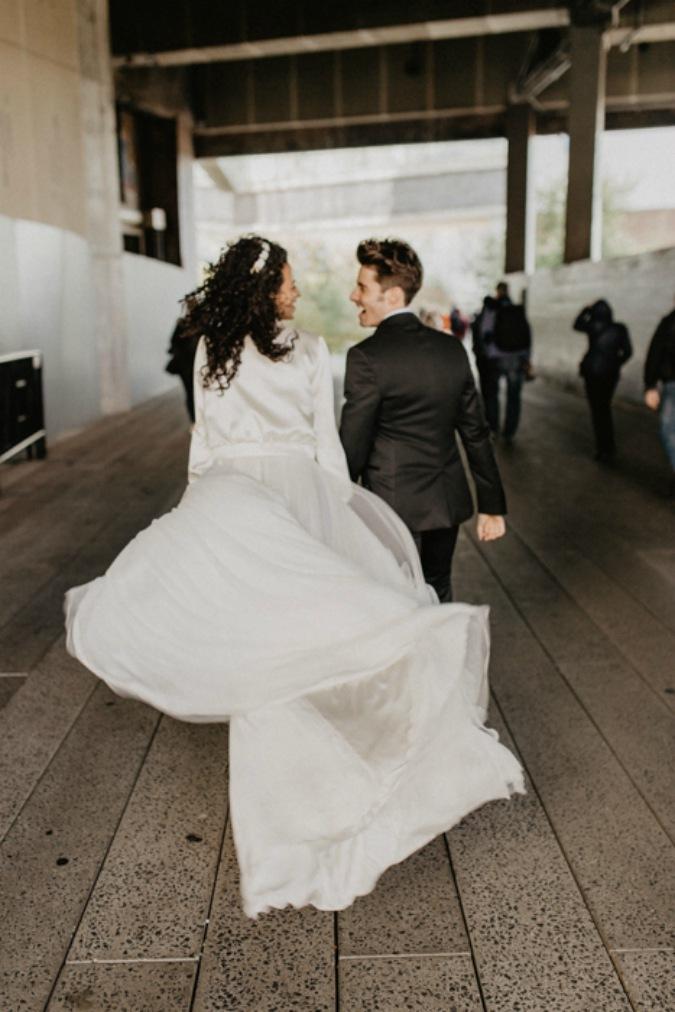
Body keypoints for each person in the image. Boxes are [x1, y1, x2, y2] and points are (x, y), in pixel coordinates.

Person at [64, 235, 522, 919]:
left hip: (229, 493)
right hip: (297, 487)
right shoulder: (307, 347)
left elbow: (205, 440)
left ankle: (283, 791)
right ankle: (348, 748)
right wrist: (343, 511)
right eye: (288, 279)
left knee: (256, 636)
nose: (298, 290)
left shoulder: (208, 349)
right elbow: (324, 443)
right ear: (266, 288)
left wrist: (197, 509)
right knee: (325, 614)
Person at [340, 238, 507, 604]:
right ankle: (445, 659)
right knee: (438, 587)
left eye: (362, 287)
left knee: (398, 597)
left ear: (394, 296)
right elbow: (475, 433)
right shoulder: (451, 350)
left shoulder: (366, 357)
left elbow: (352, 446)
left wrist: (336, 502)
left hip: (391, 505)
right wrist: (491, 504)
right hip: (445, 503)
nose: (354, 296)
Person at [573, 299, 632, 462]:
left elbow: (576, 324)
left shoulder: (592, 326)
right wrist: (615, 363)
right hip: (610, 374)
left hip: (592, 372)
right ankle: (608, 446)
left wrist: (586, 310)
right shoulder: (620, 329)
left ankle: (603, 448)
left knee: (597, 410)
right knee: (604, 408)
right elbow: (628, 351)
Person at [478, 283, 532, 443]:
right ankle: (510, 431)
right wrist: (527, 358)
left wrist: (488, 353)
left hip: (496, 358)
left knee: (492, 394)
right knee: (514, 396)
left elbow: (484, 332)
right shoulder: (517, 310)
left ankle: (493, 428)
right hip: (516, 358)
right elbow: (527, 335)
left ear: (497, 292)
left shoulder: (491, 309)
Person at [644, 299, 675, 495]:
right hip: (672, 384)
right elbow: (655, 353)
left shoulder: (669, 322)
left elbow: (655, 353)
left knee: (668, 430)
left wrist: (650, 385)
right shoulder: (669, 322)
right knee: (668, 431)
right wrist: (650, 385)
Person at [165, 310, 200, 421]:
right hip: (190, 366)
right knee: (192, 394)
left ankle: (195, 421)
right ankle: (195, 420)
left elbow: (173, 341)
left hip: (189, 366)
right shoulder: (200, 325)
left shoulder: (184, 324)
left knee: (191, 394)